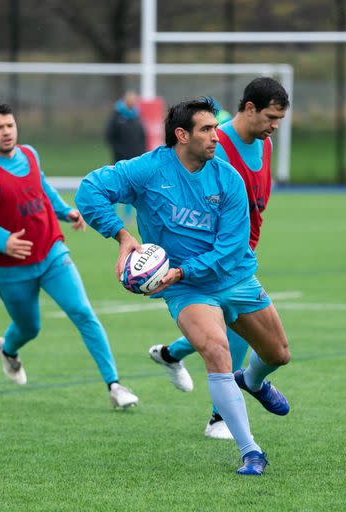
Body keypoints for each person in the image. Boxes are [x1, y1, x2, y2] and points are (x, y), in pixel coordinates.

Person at [75, 97, 292, 476]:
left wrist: (181, 270)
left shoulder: (228, 180)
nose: (215, 137)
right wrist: (122, 235)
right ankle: (251, 451)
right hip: (187, 290)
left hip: (233, 276)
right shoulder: (149, 170)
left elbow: (230, 250)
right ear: (181, 135)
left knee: (278, 354)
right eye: (207, 130)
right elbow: (90, 190)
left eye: (215, 128)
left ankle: (253, 381)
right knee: (217, 352)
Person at [0, 102, 139, 409]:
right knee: (29, 328)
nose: (6, 132)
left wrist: (66, 211)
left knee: (82, 312)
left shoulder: (29, 154)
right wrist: (0, 240)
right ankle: (8, 351)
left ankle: (115, 385)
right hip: (11, 268)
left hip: (52, 251)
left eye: (10, 125)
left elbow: (41, 188)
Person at [148, 78, 289, 441]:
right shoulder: (216, 147)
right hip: (214, 254)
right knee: (228, 329)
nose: (275, 126)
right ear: (249, 109)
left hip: (241, 246)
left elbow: (259, 195)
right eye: (271, 117)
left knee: (241, 332)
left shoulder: (265, 143)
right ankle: (218, 417)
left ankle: (170, 354)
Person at [105, 90, 146, 223]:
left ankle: (128, 216)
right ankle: (112, 213)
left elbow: (142, 136)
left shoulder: (137, 116)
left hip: (134, 159)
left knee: (131, 188)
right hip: (119, 158)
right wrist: (119, 150)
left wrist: (141, 152)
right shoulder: (116, 116)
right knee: (116, 186)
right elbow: (109, 136)